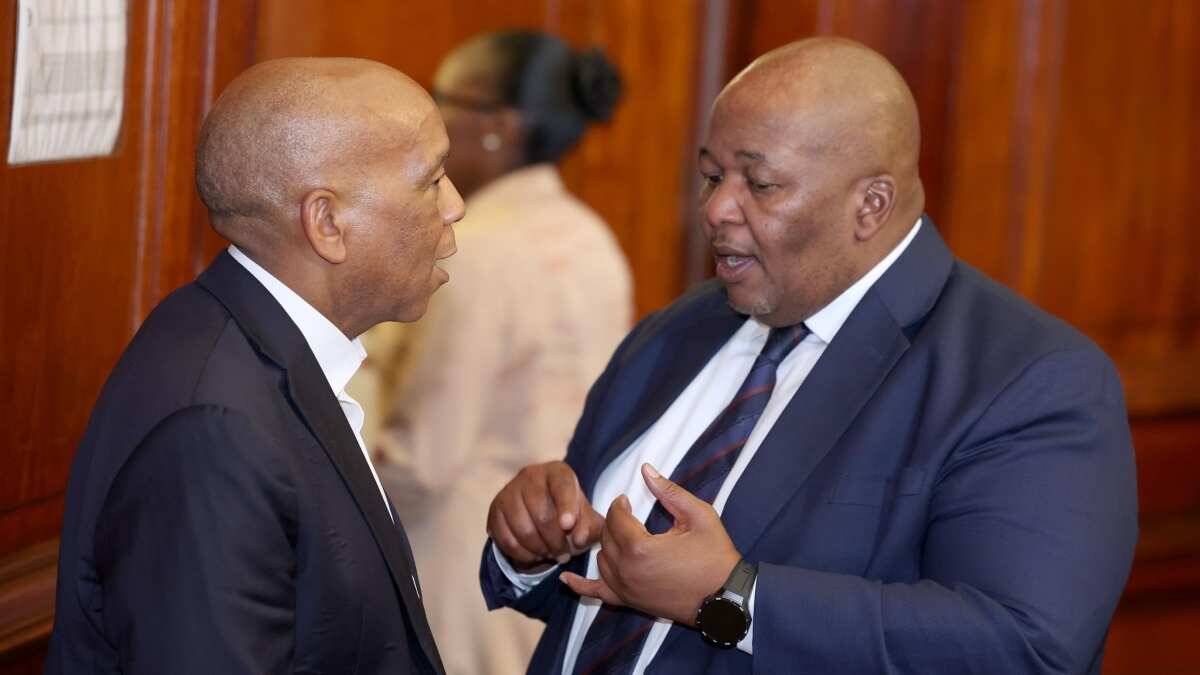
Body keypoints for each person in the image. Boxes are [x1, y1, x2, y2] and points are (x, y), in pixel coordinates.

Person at [480, 37, 1138, 674]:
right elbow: (595, 597)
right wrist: (536, 546)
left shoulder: (1028, 379)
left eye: (760, 184)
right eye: (712, 175)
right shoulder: (677, 330)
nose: (715, 209)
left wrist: (733, 598)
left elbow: (1025, 649)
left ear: (870, 205)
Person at [46, 57, 464, 674]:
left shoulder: (251, 344)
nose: (455, 206)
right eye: (432, 180)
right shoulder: (214, 430)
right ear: (327, 223)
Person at [351, 31, 632, 675]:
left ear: (498, 128)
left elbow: (425, 461)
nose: (430, 121)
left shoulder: (475, 248)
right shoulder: (593, 238)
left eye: (444, 99)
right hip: (560, 561)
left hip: (464, 564)